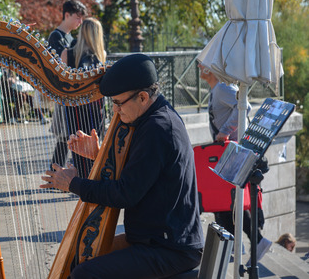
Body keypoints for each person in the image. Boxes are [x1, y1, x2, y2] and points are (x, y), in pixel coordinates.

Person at [41, 54, 204, 278]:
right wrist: (97, 154)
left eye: (118, 103)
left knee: (85, 274)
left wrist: (73, 184)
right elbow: (143, 172)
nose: (115, 110)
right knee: (81, 257)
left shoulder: (158, 128)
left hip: (169, 248)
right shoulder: (153, 119)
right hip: (154, 237)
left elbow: (125, 194)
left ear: (143, 97)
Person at [198, 63, 272, 263]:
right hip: (227, 152)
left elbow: (244, 106)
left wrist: (225, 130)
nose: (198, 66)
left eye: (202, 64)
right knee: (225, 202)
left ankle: (248, 243)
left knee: (228, 201)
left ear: (211, 69)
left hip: (233, 152)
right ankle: (237, 245)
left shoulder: (222, 88)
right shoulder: (216, 90)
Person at [59, 17, 106, 177]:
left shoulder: (67, 54)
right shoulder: (101, 55)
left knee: (78, 147)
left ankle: (82, 184)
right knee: (95, 146)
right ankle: (95, 183)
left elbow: (62, 86)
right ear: (97, 34)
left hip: (74, 109)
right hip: (96, 108)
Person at [48, 0, 88, 167]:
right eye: (77, 18)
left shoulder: (71, 37)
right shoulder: (55, 37)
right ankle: (56, 173)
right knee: (65, 136)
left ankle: (56, 173)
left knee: (67, 137)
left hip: (72, 93)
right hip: (64, 92)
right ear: (67, 15)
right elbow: (58, 66)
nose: (80, 22)